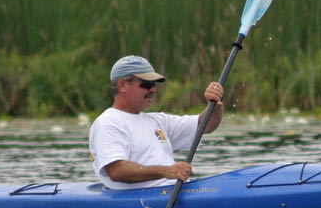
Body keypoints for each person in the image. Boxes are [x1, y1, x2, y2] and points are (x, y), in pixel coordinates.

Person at [89, 55, 224, 189]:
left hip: (172, 190)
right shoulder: (108, 123)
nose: (152, 90)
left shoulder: (158, 121)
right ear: (122, 85)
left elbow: (204, 125)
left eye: (153, 84)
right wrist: (166, 171)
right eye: (146, 84)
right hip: (142, 197)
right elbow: (116, 171)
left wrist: (215, 103)